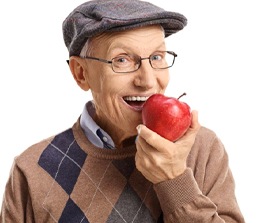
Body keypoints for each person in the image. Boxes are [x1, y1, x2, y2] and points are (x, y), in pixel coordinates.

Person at [0, 0, 245, 222]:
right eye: (122, 60)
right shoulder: (34, 169)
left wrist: (174, 181)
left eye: (157, 57)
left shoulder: (202, 148)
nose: (148, 81)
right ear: (81, 73)